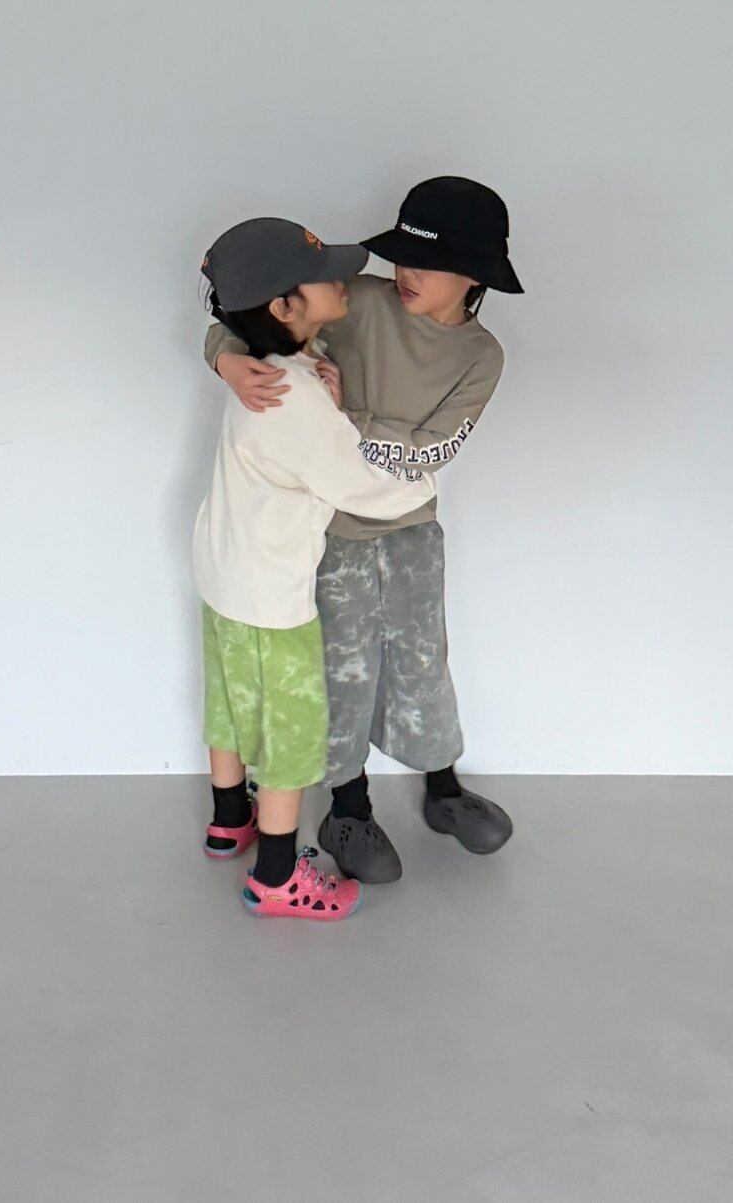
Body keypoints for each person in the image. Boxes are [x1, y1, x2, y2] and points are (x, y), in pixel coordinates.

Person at [203, 177, 522, 883]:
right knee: (342, 673)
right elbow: (254, 319)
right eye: (402, 254)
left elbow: (432, 451)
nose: (405, 271)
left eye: (426, 262)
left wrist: (347, 418)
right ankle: (349, 808)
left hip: (411, 528)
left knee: (422, 661)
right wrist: (224, 357)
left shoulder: (481, 356)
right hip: (327, 534)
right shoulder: (359, 301)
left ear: (474, 276)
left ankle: (443, 788)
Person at [192, 217, 442, 920]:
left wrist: (317, 387)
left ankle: (227, 820)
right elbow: (359, 485)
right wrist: (424, 482)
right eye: (326, 274)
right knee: (293, 732)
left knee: (229, 703)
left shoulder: (267, 368)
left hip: (223, 569)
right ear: (283, 306)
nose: (344, 278)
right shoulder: (292, 397)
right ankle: (277, 877)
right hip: (273, 594)